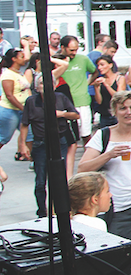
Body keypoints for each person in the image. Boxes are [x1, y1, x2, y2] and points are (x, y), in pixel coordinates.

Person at [75, 90, 131, 239]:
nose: (129, 112)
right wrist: (109, 155)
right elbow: (82, 168)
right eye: (123, 108)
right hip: (118, 207)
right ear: (114, 112)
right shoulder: (104, 135)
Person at [18, 77, 78, 219]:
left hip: (59, 141)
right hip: (40, 143)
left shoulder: (61, 98)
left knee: (58, 178)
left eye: (49, 82)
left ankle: (60, 210)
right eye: (41, 83)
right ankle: (42, 212)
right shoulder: (32, 101)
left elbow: (75, 115)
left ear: (55, 85)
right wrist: (22, 145)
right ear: (36, 86)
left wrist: (62, 114)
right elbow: (25, 124)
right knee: (40, 181)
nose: (44, 85)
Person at [0, 47, 31, 176]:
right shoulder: (8, 74)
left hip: (20, 111)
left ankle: (33, 159)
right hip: (10, 111)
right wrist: (23, 108)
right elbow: (9, 95)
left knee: (30, 135)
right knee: (4, 138)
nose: (24, 58)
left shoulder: (18, 73)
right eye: (21, 56)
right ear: (14, 59)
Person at [58, 35, 95, 139]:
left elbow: (94, 72)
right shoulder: (56, 60)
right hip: (64, 103)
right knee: (68, 137)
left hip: (82, 101)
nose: (74, 53)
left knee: (86, 133)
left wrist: (87, 83)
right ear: (63, 47)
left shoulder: (83, 59)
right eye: (71, 50)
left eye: (76, 50)